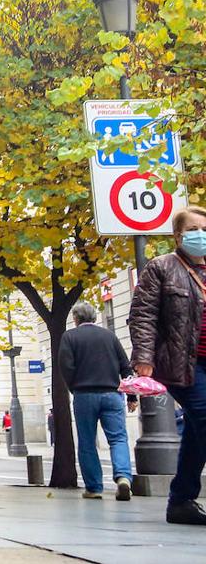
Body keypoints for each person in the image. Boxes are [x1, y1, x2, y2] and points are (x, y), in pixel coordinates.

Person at [129, 205, 206, 525]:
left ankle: (181, 500)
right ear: (178, 235)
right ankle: (182, 498)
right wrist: (144, 359)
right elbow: (142, 316)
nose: (201, 236)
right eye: (194, 230)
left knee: (197, 432)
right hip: (182, 364)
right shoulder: (161, 267)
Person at [58, 300, 135, 501]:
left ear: (75, 318)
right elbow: (126, 367)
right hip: (112, 393)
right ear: (93, 317)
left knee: (87, 442)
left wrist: (74, 387)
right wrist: (132, 396)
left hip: (84, 394)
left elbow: (66, 366)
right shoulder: (109, 336)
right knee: (118, 438)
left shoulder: (70, 337)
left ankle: (94, 487)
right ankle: (123, 478)